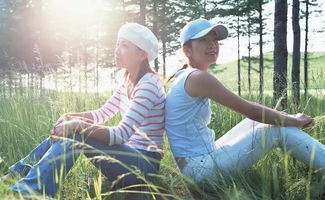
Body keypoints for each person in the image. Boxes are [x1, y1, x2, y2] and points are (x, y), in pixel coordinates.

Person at [5, 23, 165, 198]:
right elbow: (102, 114)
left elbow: (121, 134)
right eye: (117, 43)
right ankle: (15, 176)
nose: (117, 50)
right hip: (126, 157)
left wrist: (77, 125)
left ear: (142, 54)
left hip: (144, 166)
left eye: (125, 46)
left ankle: (30, 192)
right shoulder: (127, 80)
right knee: (72, 129)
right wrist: (70, 117)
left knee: (77, 133)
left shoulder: (148, 84)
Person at [165, 19, 325, 183]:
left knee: (256, 123)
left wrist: (286, 117)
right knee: (277, 130)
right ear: (187, 51)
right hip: (199, 169)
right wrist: (293, 121)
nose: (212, 44)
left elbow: (253, 115)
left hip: (200, 160)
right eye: (203, 40)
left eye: (214, 39)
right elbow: (251, 110)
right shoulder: (197, 77)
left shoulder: (187, 76)